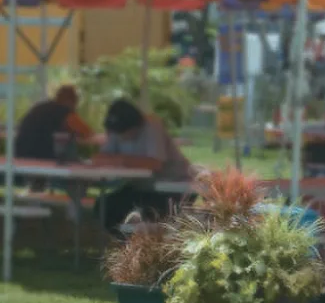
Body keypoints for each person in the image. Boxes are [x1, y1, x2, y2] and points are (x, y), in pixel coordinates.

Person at [92, 98, 194, 232]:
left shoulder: (152, 127)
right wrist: (117, 160)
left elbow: (155, 163)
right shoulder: (116, 132)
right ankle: (122, 240)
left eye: (124, 131)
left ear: (136, 125)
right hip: (141, 186)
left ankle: (138, 240)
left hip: (169, 187)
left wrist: (120, 160)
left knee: (144, 214)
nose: (120, 136)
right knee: (104, 206)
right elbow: (100, 158)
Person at [12, 83, 94, 161]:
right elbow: (87, 132)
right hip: (40, 156)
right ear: (71, 101)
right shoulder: (64, 111)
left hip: (19, 154)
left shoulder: (41, 107)